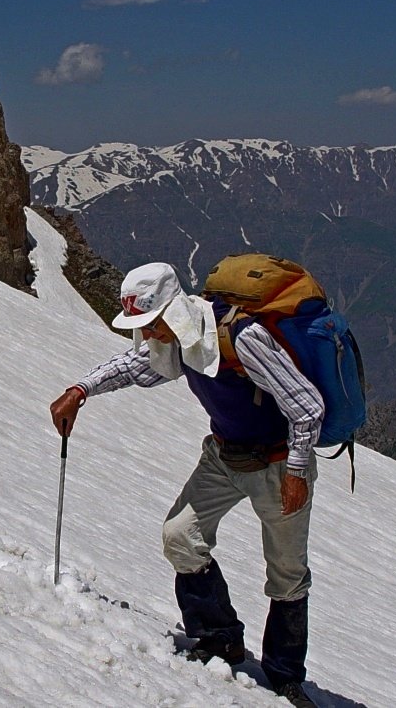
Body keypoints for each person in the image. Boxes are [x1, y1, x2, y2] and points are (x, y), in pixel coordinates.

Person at [50, 261, 323, 708]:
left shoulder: (243, 339)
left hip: (276, 464)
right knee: (180, 537)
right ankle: (220, 639)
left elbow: (307, 407)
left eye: (152, 324)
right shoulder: (178, 341)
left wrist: (296, 472)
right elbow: (132, 366)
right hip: (224, 454)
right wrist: (80, 390)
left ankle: (285, 675)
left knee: (287, 574)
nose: (149, 336)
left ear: (172, 312)